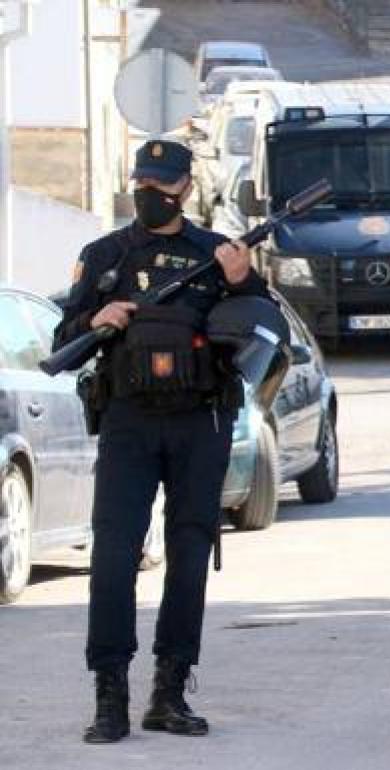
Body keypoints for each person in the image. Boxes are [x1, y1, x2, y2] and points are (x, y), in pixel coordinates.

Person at [53, 139, 273, 744]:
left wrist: (243, 278)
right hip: (128, 421)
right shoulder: (106, 255)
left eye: (164, 184)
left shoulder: (216, 253)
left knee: (190, 556)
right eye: (143, 182)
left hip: (199, 422)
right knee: (113, 555)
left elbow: (264, 330)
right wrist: (98, 320)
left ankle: (170, 690)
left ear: (186, 188)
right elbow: (64, 336)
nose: (151, 193)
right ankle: (109, 693)